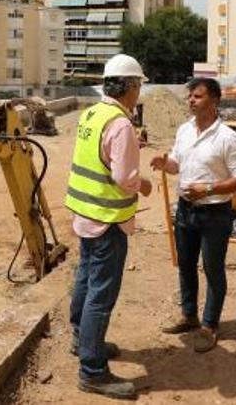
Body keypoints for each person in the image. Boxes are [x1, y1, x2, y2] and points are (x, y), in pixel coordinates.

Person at [65, 53, 153, 400]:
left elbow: (97, 158)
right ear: (130, 86)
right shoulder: (120, 124)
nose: (139, 94)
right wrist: (143, 183)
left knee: (85, 281)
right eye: (138, 86)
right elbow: (124, 177)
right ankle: (92, 371)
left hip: (86, 216)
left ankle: (82, 340)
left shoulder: (92, 114)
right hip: (108, 221)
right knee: (100, 296)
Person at [151, 77, 236, 353]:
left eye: (197, 96)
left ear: (215, 100)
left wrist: (208, 188)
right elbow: (176, 165)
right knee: (185, 265)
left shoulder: (228, 138)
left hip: (215, 214)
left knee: (212, 268)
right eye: (190, 96)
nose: (191, 100)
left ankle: (209, 325)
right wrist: (165, 164)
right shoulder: (184, 130)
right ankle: (189, 315)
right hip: (185, 210)